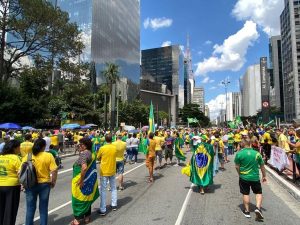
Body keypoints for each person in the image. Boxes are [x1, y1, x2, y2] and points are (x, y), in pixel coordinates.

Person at [23, 138, 58, 225]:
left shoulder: (28, 156)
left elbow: (21, 171)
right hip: (44, 184)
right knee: (43, 208)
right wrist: (53, 181)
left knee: (30, 208)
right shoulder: (48, 155)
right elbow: (54, 170)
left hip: (30, 184)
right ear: (44, 146)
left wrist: (23, 183)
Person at [234, 138, 266, 220]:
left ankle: (247, 211)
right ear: (250, 144)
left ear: (242, 144)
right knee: (258, 192)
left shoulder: (239, 154)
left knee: (245, 193)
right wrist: (264, 176)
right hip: (255, 177)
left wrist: (240, 174)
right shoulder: (257, 153)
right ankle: (258, 208)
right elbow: (262, 166)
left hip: (244, 177)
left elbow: (237, 166)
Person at [71, 138, 99, 225]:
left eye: (81, 144)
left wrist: (82, 180)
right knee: (87, 198)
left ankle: (77, 220)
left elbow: (84, 167)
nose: (79, 146)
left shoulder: (84, 154)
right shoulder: (91, 153)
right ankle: (87, 218)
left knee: (77, 200)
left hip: (81, 180)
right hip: (89, 181)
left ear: (85, 145)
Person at [0, 140, 22, 225]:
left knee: (1, 209)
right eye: (19, 147)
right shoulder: (16, 158)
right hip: (12, 186)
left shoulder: (0, 157)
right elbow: (20, 173)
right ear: (14, 148)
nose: (20, 149)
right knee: (10, 210)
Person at [97, 134, 117, 216]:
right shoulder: (114, 147)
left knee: (103, 190)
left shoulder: (102, 148)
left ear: (105, 139)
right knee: (113, 188)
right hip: (112, 170)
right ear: (111, 139)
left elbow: (98, 157)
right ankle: (114, 205)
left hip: (104, 171)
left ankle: (103, 209)